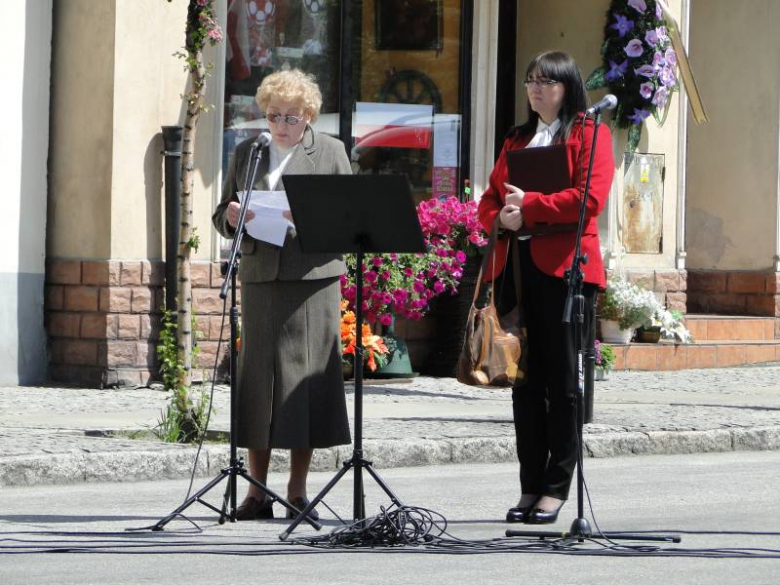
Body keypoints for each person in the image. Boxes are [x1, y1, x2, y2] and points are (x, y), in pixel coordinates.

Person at [477, 51, 614, 525]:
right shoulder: (517, 138)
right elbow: (489, 200)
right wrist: (501, 217)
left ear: (567, 86)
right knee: (524, 385)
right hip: (516, 267)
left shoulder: (591, 134)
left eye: (547, 83)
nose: (536, 90)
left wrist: (530, 206)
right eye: (531, 81)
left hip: (565, 271)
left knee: (562, 383)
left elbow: (589, 199)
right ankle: (529, 485)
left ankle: (557, 487)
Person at [212, 69, 352, 521]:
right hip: (260, 277)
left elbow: (350, 218)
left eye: (290, 117)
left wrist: (305, 214)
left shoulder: (330, 152)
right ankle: (256, 491)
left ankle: (296, 489)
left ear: (308, 115)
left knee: (303, 383)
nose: (280, 126)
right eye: (273, 116)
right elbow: (222, 213)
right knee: (260, 382)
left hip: (312, 278)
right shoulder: (249, 151)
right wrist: (232, 216)